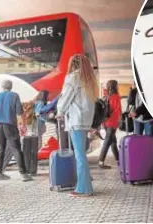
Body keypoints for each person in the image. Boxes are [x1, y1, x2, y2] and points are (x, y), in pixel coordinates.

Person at [56, 54, 98, 197]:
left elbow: (66, 96)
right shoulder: (90, 78)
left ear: (72, 64)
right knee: (81, 155)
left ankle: (84, 189)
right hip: (85, 120)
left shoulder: (73, 77)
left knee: (80, 156)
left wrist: (59, 111)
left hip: (76, 120)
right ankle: (85, 185)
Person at [0, 80, 32, 182]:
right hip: (10, 125)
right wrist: (22, 124)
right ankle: (23, 174)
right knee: (16, 149)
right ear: (11, 87)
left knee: (0, 150)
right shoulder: (14, 96)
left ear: (2, 86)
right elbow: (19, 113)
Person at [98, 80, 121, 169]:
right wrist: (119, 120)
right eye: (117, 85)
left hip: (106, 122)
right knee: (107, 142)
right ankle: (101, 161)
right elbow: (118, 110)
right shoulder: (116, 97)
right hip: (112, 122)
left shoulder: (106, 96)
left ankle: (118, 160)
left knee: (113, 142)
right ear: (115, 86)